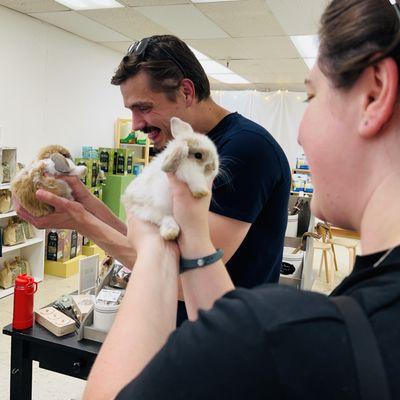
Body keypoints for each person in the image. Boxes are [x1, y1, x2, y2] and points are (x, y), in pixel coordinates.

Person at [83, 0, 400, 399]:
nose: (299, 135)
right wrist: (88, 209)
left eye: (311, 97)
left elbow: (213, 313)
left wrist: (152, 247)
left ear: (374, 95)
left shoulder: (286, 333)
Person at [15, 35, 291, 322]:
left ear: (185, 91)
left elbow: (187, 279)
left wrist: (80, 222)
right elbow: (147, 244)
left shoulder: (245, 151)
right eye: (131, 111)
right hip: (184, 332)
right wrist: (82, 201)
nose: (135, 126)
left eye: (143, 108)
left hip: (229, 346)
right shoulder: (179, 147)